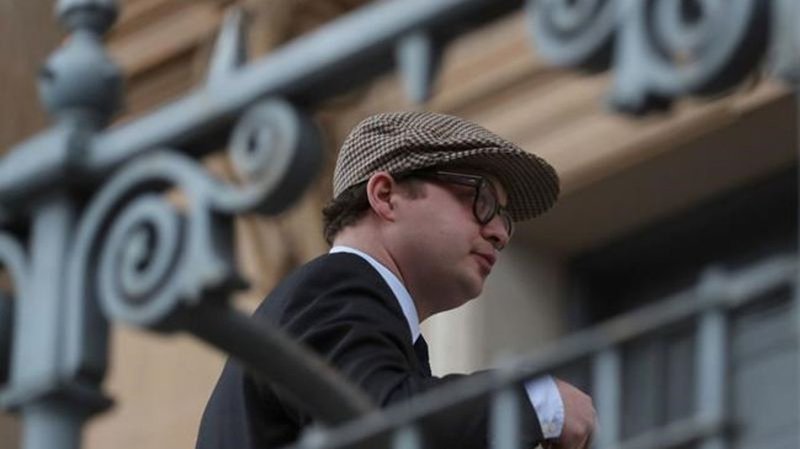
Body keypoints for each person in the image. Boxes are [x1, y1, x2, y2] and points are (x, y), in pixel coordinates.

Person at [196, 111, 596, 449]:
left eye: (504, 218)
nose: (499, 233)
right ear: (386, 195)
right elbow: (375, 423)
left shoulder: (362, 313)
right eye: (482, 200)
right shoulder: (332, 287)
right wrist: (537, 401)